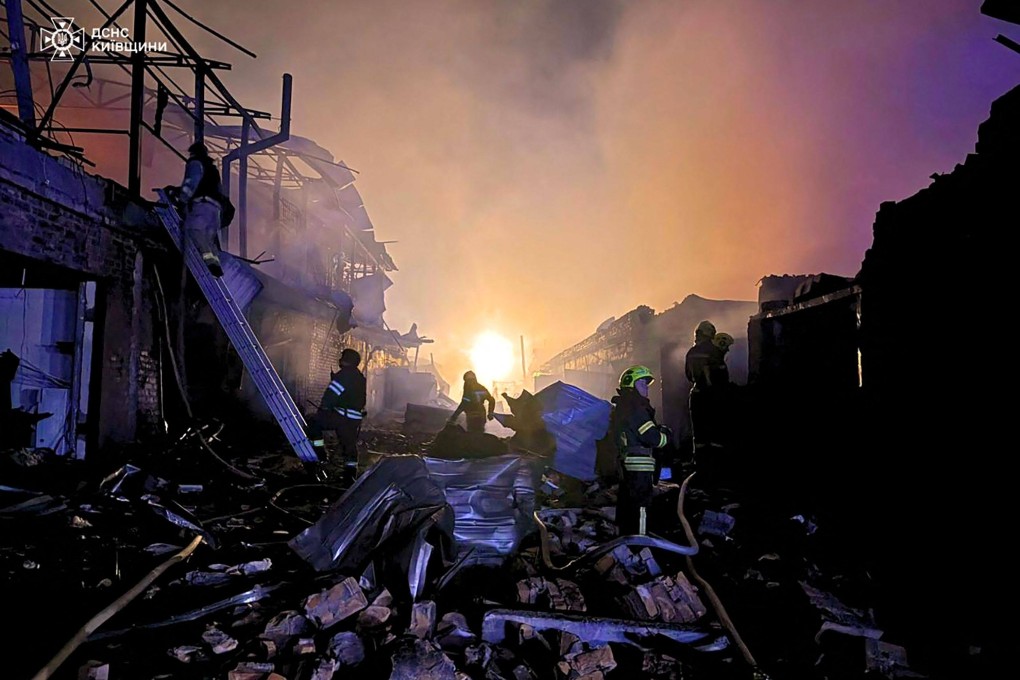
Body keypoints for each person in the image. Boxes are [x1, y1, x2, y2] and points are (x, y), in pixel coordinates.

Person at [611, 365, 672, 536]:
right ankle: (640, 542)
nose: (646, 388)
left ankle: (624, 537)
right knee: (641, 506)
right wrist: (666, 434)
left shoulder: (623, 407)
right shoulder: (636, 409)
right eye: (642, 383)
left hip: (627, 464)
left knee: (626, 503)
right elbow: (653, 439)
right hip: (639, 466)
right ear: (631, 386)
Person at [307, 348, 367, 466]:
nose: (339, 360)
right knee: (349, 447)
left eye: (342, 357)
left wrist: (324, 408)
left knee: (313, 423)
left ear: (346, 360)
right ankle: (350, 476)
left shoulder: (344, 375)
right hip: (354, 419)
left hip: (342, 417)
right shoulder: (359, 377)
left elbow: (331, 394)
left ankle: (321, 455)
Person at [176, 142, 225, 277]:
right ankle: (214, 264)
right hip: (215, 211)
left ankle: (209, 265)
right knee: (209, 241)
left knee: (193, 230)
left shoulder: (196, 163)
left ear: (194, 153)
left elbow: (191, 182)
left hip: (202, 206)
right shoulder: (213, 170)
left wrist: (182, 198)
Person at [685, 320, 719, 453]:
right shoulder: (715, 351)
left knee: (699, 433)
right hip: (713, 397)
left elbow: (688, 375)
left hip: (696, 396)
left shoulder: (691, 352)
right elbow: (721, 375)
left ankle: (699, 461)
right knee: (715, 432)